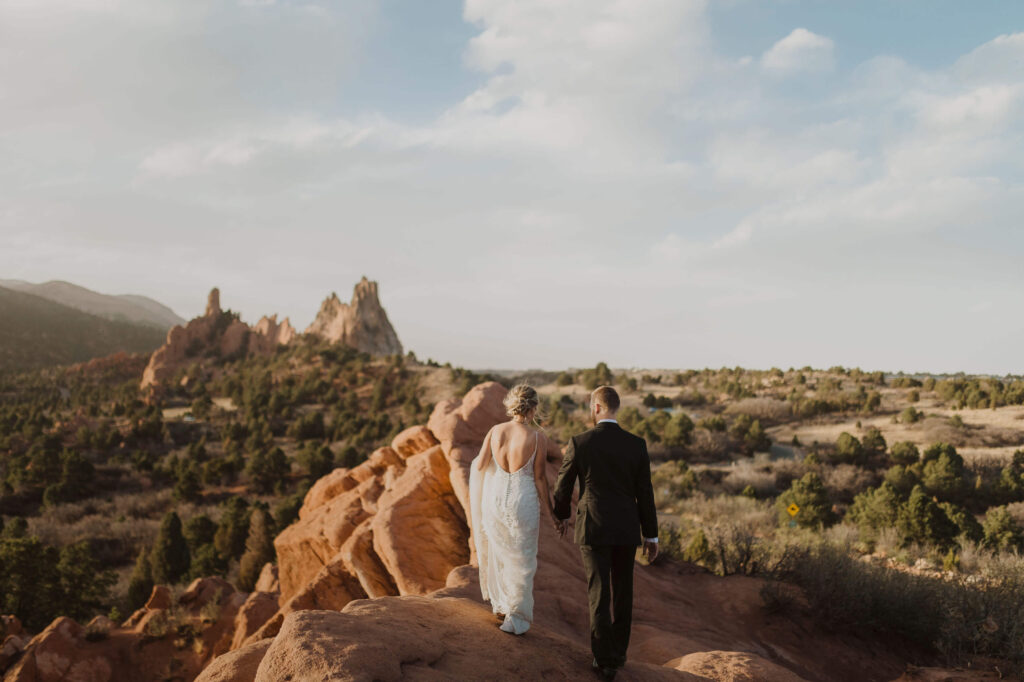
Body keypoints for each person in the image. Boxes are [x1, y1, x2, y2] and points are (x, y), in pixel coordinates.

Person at [553, 385, 658, 681]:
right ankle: (619, 654)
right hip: (626, 527)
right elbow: (645, 493)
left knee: (598, 592)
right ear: (616, 407)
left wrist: (561, 516)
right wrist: (652, 535)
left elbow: (563, 487)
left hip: (593, 526)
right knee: (624, 591)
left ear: (596, 407)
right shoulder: (636, 444)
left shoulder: (580, 442)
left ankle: (603, 661)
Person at [469, 384, 556, 635]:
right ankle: (516, 616)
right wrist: (551, 514)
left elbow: (480, 465)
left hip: (494, 499)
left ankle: (502, 605)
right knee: (523, 557)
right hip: (522, 499)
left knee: (501, 551)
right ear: (533, 408)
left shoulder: (495, 431)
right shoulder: (538, 438)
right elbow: (540, 479)